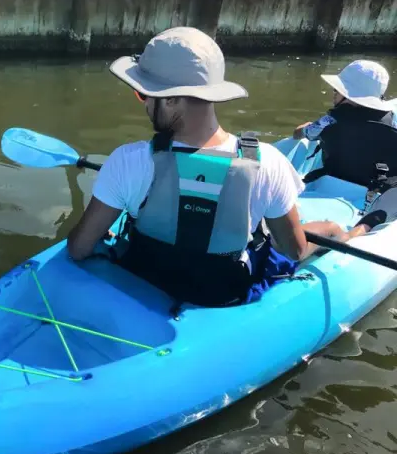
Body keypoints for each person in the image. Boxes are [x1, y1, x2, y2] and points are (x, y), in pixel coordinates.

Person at [66, 27, 376, 308]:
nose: (143, 103)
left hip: (146, 279)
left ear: (172, 100)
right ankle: (339, 233)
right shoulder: (268, 163)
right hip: (224, 292)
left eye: (144, 94)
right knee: (319, 232)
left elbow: (78, 249)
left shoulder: (126, 161)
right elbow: (294, 251)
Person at [292, 60, 397, 187]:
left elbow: (297, 134)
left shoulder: (329, 121)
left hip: (335, 180)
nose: (333, 93)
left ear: (348, 94)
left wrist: (307, 126)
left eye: (336, 89)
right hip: (375, 186)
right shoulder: (392, 122)